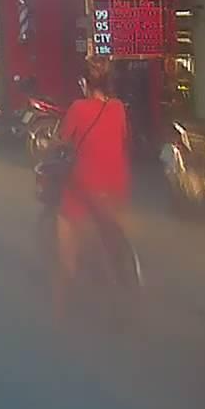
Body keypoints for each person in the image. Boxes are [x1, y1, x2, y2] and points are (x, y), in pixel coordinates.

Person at [53, 56, 131, 319]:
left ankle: (58, 314)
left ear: (84, 83)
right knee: (113, 236)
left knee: (66, 249)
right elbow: (122, 139)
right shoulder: (119, 109)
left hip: (85, 188)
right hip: (116, 187)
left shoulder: (78, 108)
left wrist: (55, 146)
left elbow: (63, 141)